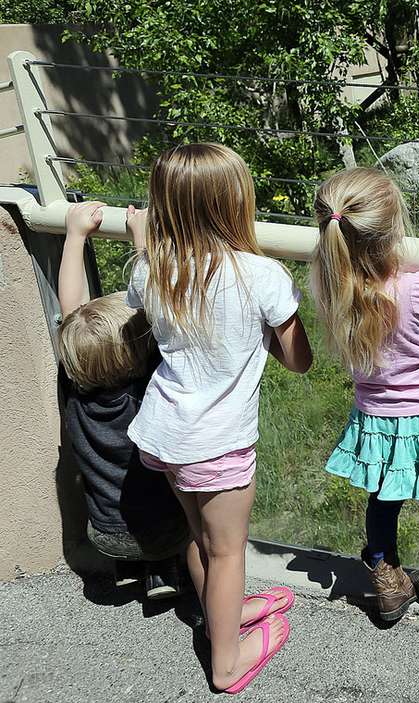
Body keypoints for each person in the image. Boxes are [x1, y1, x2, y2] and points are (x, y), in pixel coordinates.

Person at [125, 143, 313, 694]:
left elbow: (144, 287)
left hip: (164, 433)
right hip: (218, 442)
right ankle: (227, 662)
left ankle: (219, 618)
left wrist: (142, 244)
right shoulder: (262, 274)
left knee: (200, 534)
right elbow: (300, 361)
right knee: (229, 549)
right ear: (235, 203)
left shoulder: (153, 271)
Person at [311, 167, 419, 626]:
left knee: (381, 500)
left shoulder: (334, 289)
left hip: (374, 418)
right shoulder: (418, 286)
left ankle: (388, 583)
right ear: (393, 230)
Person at [57, 201, 189, 601]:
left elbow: (72, 313)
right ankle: (161, 570)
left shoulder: (75, 387)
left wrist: (75, 235)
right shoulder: (148, 388)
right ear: (139, 353)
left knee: (129, 503)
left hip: (103, 534)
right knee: (166, 509)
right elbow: (157, 311)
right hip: (164, 532)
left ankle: (131, 570)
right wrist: (143, 240)